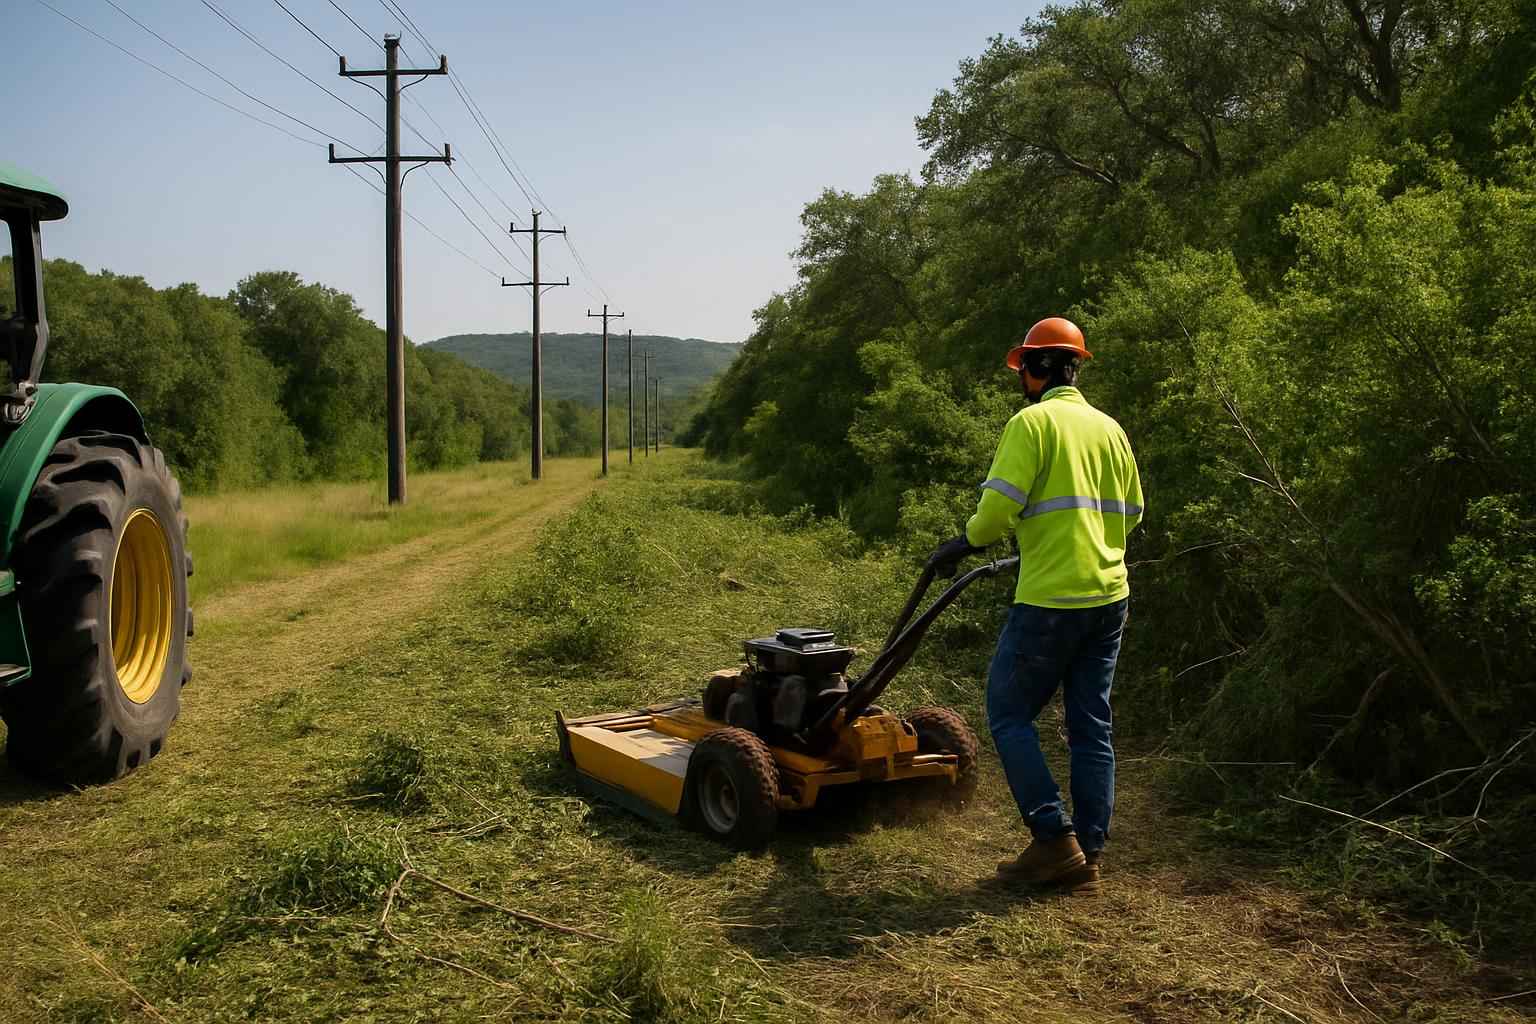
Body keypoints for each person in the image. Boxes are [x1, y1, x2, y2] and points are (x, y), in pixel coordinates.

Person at [928, 316, 1143, 893]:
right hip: (1109, 596)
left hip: (1052, 601)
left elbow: (996, 515)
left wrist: (961, 544)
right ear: (1076, 365)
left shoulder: (1033, 424)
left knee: (1008, 711)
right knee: (1089, 723)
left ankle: (1053, 838)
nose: (1020, 377)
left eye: (1023, 366)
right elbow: (1131, 515)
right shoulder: (1110, 429)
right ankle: (1088, 853)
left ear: (1037, 367)